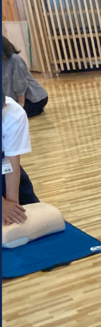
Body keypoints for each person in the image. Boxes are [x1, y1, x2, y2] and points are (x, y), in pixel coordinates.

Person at [2, 85, 39, 225]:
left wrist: (12, 205)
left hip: (3, 162)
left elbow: (11, 161)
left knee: (27, 217)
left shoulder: (13, 114)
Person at [2, 36, 49, 118]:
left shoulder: (14, 60)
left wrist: (20, 105)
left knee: (11, 116)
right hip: (12, 101)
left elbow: (20, 83)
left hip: (32, 99)